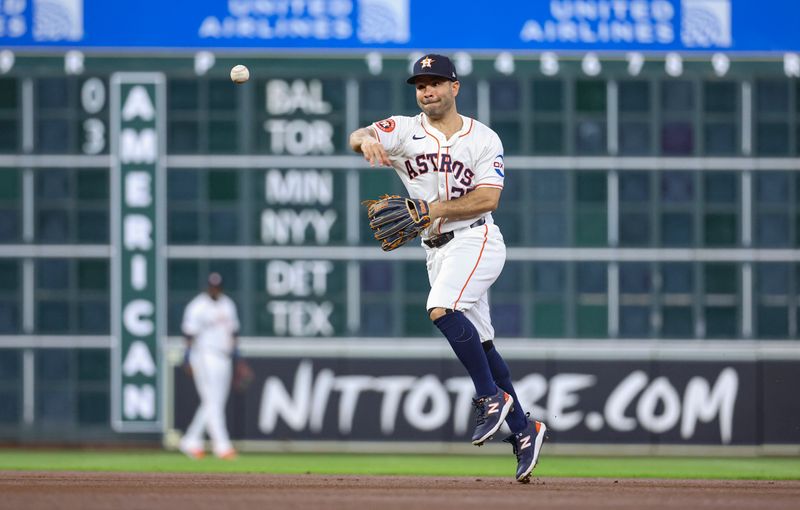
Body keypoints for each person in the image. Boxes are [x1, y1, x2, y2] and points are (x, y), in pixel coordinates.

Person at [349, 54, 546, 482]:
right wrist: (364, 140)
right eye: (420, 84)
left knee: (440, 308)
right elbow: (359, 133)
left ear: (454, 87)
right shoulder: (403, 130)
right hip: (436, 249)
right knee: (486, 346)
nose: (426, 90)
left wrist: (432, 208)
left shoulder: (483, 139)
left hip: (477, 238)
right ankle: (524, 429)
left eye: (435, 82)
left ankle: (490, 400)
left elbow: (488, 199)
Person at [179, 272, 240, 460]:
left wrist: (239, 359)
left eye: (218, 286)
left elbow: (234, 332)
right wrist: (187, 358)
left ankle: (190, 439)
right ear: (207, 287)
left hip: (224, 356)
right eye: (212, 286)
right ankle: (222, 445)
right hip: (205, 355)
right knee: (212, 400)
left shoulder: (228, 304)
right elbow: (189, 334)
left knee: (215, 401)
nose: (215, 289)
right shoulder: (198, 306)